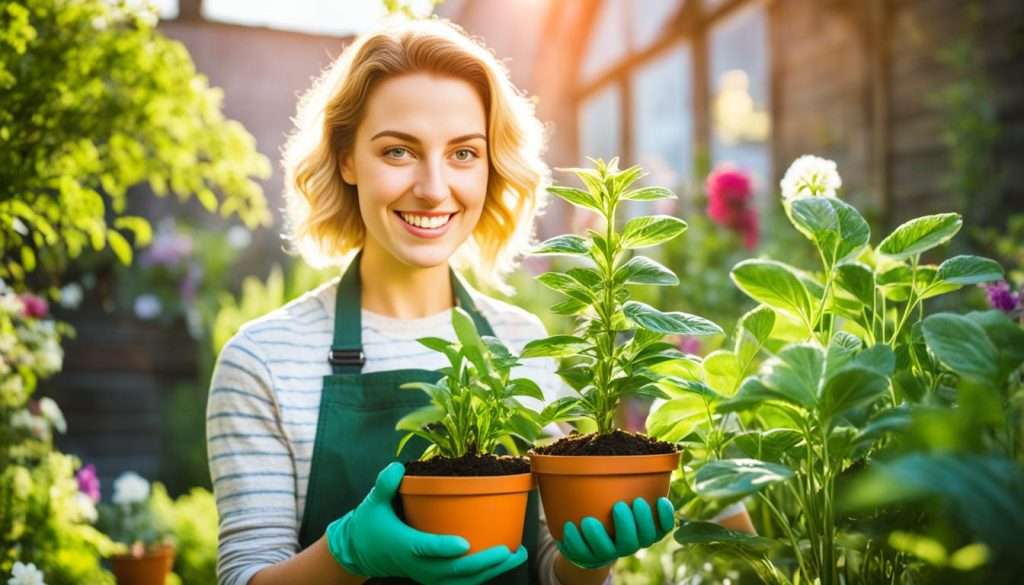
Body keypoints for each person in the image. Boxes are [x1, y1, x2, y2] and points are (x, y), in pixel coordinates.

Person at [206, 18, 675, 585]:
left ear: (490, 166)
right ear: (347, 159)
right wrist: (349, 553)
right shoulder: (263, 359)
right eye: (399, 151)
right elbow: (242, 576)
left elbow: (554, 569)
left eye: (463, 153)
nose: (433, 188)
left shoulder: (524, 344)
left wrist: (591, 556)